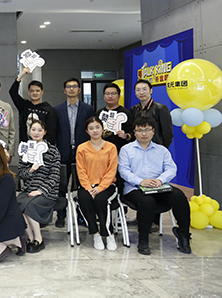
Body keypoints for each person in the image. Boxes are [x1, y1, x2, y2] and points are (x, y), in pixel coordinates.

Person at [118, 117, 191, 255]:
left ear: (153, 131)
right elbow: (123, 171)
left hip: (158, 187)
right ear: (134, 132)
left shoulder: (161, 150)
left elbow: (171, 168)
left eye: (147, 130)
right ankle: (143, 239)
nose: (143, 133)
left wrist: (160, 180)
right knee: (147, 201)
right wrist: (140, 181)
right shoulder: (126, 150)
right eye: (140, 130)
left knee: (179, 196)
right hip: (135, 188)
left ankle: (184, 235)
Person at [53, 77, 94, 228]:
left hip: (82, 153)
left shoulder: (88, 109)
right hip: (63, 152)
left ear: (79, 90)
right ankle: (61, 216)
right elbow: (55, 131)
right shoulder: (57, 109)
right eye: (68, 87)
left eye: (74, 86)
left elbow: (91, 130)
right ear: (64, 90)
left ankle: (81, 215)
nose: (71, 89)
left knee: (82, 185)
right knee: (61, 186)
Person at [16, 120, 60, 253]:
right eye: (33, 129)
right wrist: (31, 170)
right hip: (29, 189)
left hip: (48, 191)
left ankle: (39, 239)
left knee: (29, 205)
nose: (36, 133)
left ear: (45, 132)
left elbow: (55, 176)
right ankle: (30, 238)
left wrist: (41, 190)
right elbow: (21, 174)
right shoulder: (25, 150)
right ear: (29, 131)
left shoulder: (52, 150)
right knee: (17, 203)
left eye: (40, 130)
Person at [75, 117, 119, 251]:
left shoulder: (111, 147)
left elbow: (112, 170)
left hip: (107, 186)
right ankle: (95, 233)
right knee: (83, 199)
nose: (95, 131)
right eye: (91, 128)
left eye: (97, 127)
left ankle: (109, 234)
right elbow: (81, 170)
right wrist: (89, 188)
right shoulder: (82, 148)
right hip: (87, 186)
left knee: (101, 200)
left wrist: (100, 188)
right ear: (87, 131)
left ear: (102, 128)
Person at [9, 67, 57, 144]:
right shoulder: (24, 106)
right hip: (26, 145)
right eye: (32, 91)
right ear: (28, 92)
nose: (35, 93)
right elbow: (13, 92)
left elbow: (52, 132)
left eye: (37, 91)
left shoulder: (48, 109)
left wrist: (45, 146)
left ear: (42, 92)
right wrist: (20, 76)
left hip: (42, 146)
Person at [130, 79, 173, 148]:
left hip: (156, 148)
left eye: (144, 89)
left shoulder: (160, 108)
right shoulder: (133, 109)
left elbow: (167, 134)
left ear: (151, 91)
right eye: (138, 90)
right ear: (135, 93)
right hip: (138, 148)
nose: (141, 92)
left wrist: (161, 149)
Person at [96, 82, 134, 153]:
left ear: (119, 96)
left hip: (120, 151)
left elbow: (133, 133)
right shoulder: (99, 113)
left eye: (113, 94)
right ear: (104, 96)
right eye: (107, 94)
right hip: (101, 151)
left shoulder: (126, 113)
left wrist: (126, 136)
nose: (110, 96)